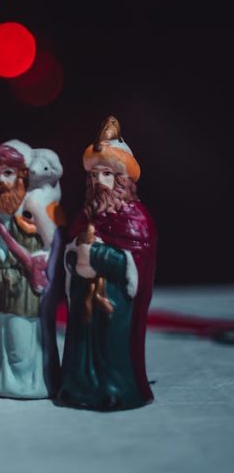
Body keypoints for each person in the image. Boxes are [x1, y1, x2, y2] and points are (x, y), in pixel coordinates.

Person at [57, 116, 157, 411]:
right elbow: (71, 248)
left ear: (122, 179)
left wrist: (99, 257)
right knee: (82, 341)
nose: (98, 181)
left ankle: (115, 388)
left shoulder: (136, 219)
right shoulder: (87, 214)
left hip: (116, 300)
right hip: (85, 295)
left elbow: (137, 260)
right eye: (93, 174)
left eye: (106, 174)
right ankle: (78, 386)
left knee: (111, 343)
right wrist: (76, 257)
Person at [0, 139, 63, 399]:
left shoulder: (34, 205)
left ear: (23, 174)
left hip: (24, 288)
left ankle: (28, 380)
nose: (2, 179)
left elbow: (54, 243)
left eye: (9, 173)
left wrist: (40, 261)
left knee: (21, 344)